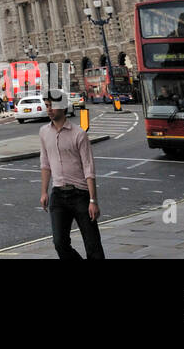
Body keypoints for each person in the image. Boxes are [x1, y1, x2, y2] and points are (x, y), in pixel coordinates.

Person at [39, 90, 104, 257]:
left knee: (92, 245)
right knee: (59, 243)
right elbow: (45, 164)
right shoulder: (44, 132)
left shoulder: (79, 134)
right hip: (58, 195)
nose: (49, 109)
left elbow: (89, 168)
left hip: (80, 194)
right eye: (47, 106)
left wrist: (93, 200)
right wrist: (44, 192)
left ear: (63, 107)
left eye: (52, 106)